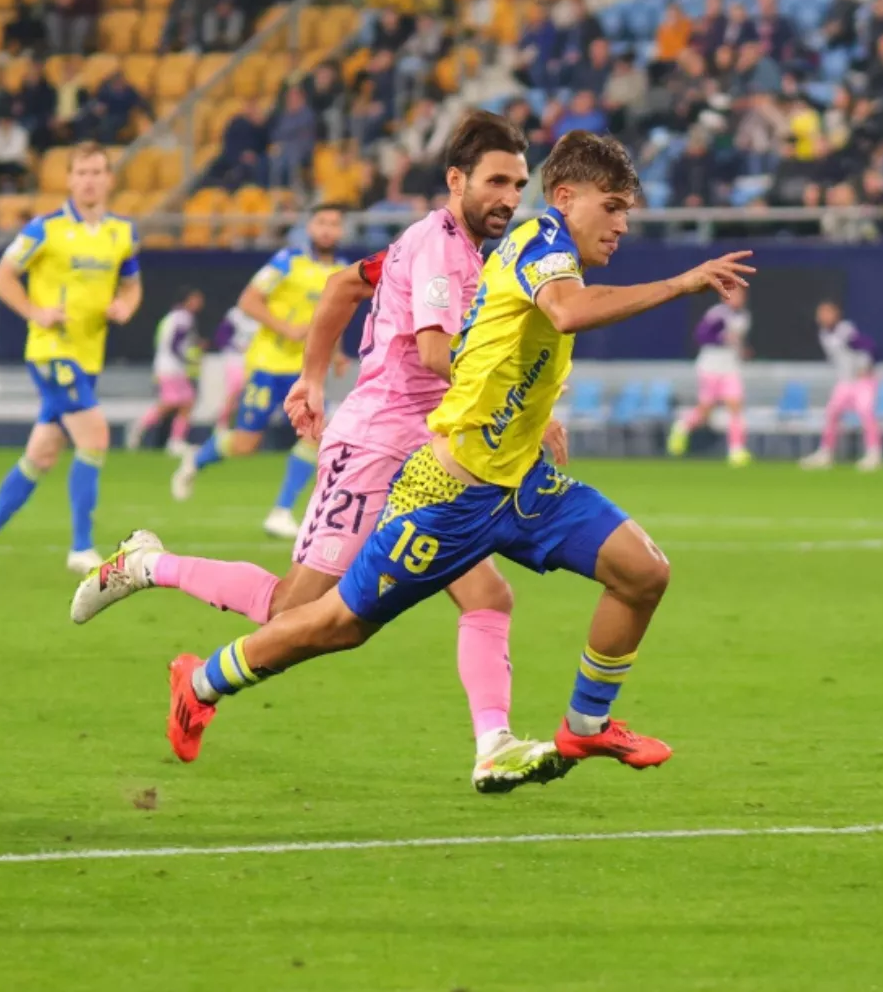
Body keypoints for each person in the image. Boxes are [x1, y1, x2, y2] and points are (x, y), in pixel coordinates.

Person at [147, 131, 753, 774]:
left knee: (643, 572)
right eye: (613, 207)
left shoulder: (522, 253)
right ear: (567, 198)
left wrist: (537, 416)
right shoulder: (539, 246)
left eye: (628, 210)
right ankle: (203, 680)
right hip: (447, 494)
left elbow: (502, 350)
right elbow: (565, 314)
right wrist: (681, 283)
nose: (622, 224)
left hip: (519, 486)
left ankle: (583, 726)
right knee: (332, 623)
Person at [74, 113, 571, 792]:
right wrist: (524, 408)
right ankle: (146, 564)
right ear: (457, 180)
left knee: (487, 596)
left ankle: (494, 745)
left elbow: (343, 286)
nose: (511, 197)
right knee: (292, 614)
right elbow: (432, 351)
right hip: (377, 443)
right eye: (496, 182)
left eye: (519, 183)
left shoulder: (471, 253)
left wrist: (311, 376)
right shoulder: (435, 247)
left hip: (435, 449)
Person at [0, 144, 143, 584]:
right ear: (69, 179)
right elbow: (1, 277)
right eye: (82, 172)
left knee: (41, 454)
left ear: (109, 179)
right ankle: (81, 547)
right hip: (51, 352)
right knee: (95, 436)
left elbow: (133, 285)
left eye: (98, 171)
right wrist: (35, 313)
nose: (90, 180)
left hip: (88, 356)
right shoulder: (45, 229)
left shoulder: (123, 232)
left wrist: (126, 307)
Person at [170, 206, 349, 540]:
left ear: (341, 231)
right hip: (267, 365)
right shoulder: (287, 262)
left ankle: (280, 512)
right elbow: (248, 300)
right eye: (322, 222)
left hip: (304, 371)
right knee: (245, 443)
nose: (328, 229)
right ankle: (197, 459)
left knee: (313, 436)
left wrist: (337, 354)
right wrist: (285, 328)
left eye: (334, 223)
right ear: (310, 226)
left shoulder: (341, 272)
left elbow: (331, 320)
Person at [666, 285, 753, 465]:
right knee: (706, 411)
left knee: (735, 406)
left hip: (730, 368)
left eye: (740, 295)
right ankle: (682, 427)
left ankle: (736, 450)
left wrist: (742, 351)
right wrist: (721, 339)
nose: (737, 298)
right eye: (733, 295)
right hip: (711, 367)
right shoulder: (717, 314)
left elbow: (736, 343)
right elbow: (701, 336)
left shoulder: (744, 317)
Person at [801, 300, 882, 470]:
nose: (823, 317)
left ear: (836, 314)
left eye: (827, 313)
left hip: (862, 381)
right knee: (832, 413)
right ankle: (826, 453)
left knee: (866, 413)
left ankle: (873, 454)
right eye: (820, 313)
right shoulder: (824, 333)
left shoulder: (845, 331)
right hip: (844, 381)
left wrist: (865, 366)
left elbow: (869, 346)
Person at [127, 288, 206, 456]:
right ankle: (142, 427)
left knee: (185, 402)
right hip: (173, 367)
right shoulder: (184, 318)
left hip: (163, 365)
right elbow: (176, 344)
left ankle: (174, 440)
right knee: (170, 404)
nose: (200, 303)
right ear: (188, 300)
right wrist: (187, 359)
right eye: (196, 299)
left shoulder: (170, 317)